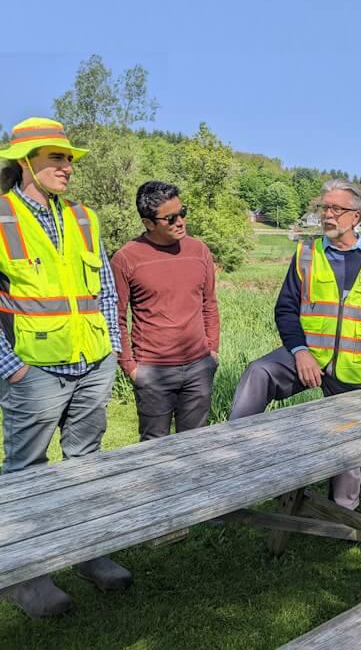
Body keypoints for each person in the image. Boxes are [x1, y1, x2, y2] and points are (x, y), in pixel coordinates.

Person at [0, 117, 131, 617]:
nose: (67, 166)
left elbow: (101, 288)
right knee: (26, 473)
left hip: (92, 362)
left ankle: (87, 550)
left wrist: (112, 349)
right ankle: (28, 575)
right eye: (57, 157)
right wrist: (11, 366)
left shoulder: (83, 217)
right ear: (26, 162)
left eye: (69, 157)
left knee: (85, 464)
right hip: (33, 370)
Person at [229, 179, 361, 509]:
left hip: (354, 368)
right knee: (258, 373)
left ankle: (342, 514)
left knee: (349, 445)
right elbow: (285, 310)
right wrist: (300, 351)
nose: (328, 214)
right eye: (324, 207)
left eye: (337, 208)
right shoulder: (306, 254)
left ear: (356, 216)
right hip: (306, 356)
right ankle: (235, 466)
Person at [111, 181, 220, 442]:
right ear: (148, 223)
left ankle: (194, 485)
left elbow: (210, 303)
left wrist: (212, 352)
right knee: (153, 447)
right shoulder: (126, 258)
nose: (180, 221)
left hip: (199, 366)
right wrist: (130, 366)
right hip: (153, 371)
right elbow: (115, 317)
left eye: (183, 212)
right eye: (170, 218)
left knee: (195, 445)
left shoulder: (199, 250)